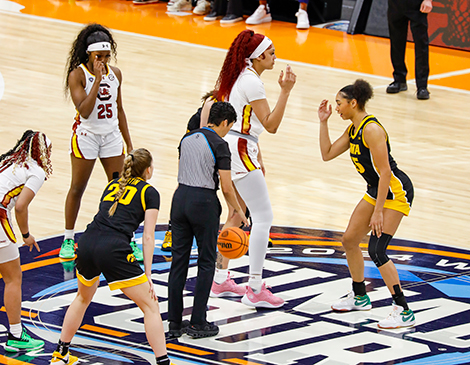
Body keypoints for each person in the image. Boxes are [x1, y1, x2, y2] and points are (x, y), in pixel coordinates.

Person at [50, 149, 171, 365]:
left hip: (87, 241)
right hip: (112, 248)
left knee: (82, 297)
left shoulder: (112, 184)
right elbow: (148, 237)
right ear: (148, 170)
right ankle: (163, 362)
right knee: (150, 306)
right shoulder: (150, 192)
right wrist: (149, 274)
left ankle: (60, 354)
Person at [318, 79, 416, 329]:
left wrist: (379, 212)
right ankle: (360, 295)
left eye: (339, 104)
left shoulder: (372, 130)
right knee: (349, 240)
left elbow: (385, 172)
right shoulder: (353, 129)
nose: (337, 108)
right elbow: (327, 154)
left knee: (377, 250)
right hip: (376, 190)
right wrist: (323, 122)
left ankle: (402, 309)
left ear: (353, 103)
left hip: (395, 190)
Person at [209, 30, 296, 308]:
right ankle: (255, 287)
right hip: (240, 149)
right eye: (271, 53)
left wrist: (259, 157)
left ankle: (220, 278)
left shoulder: (237, 77)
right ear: (257, 57)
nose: (275, 57)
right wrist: (285, 91)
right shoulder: (251, 81)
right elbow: (271, 124)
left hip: (232, 145)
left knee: (237, 213)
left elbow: (249, 127)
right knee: (263, 217)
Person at [167, 102, 249, 339]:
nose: (228, 131)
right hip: (203, 202)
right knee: (205, 262)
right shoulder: (220, 144)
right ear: (225, 122)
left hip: (179, 199)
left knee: (178, 262)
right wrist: (238, 211)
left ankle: (174, 323)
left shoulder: (187, 138)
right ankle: (198, 322)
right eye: (229, 127)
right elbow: (226, 186)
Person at [61, 24, 139, 261]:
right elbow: (84, 111)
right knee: (77, 188)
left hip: (111, 136)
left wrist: (130, 144)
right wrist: (96, 80)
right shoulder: (77, 75)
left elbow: (120, 109)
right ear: (89, 54)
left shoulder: (116, 73)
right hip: (87, 136)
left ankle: (128, 239)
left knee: (121, 188)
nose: (103, 61)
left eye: (106, 56)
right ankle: (68, 238)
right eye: (99, 56)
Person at [0, 130, 52, 352]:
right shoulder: (36, 171)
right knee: (13, 278)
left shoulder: (8, 161)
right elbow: (21, 206)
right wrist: (26, 235)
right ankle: (16, 335)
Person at [386, 0, 432, 100]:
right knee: (396, 41)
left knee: (421, 44)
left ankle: (422, 86)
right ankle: (399, 79)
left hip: (417, 5)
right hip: (396, 4)